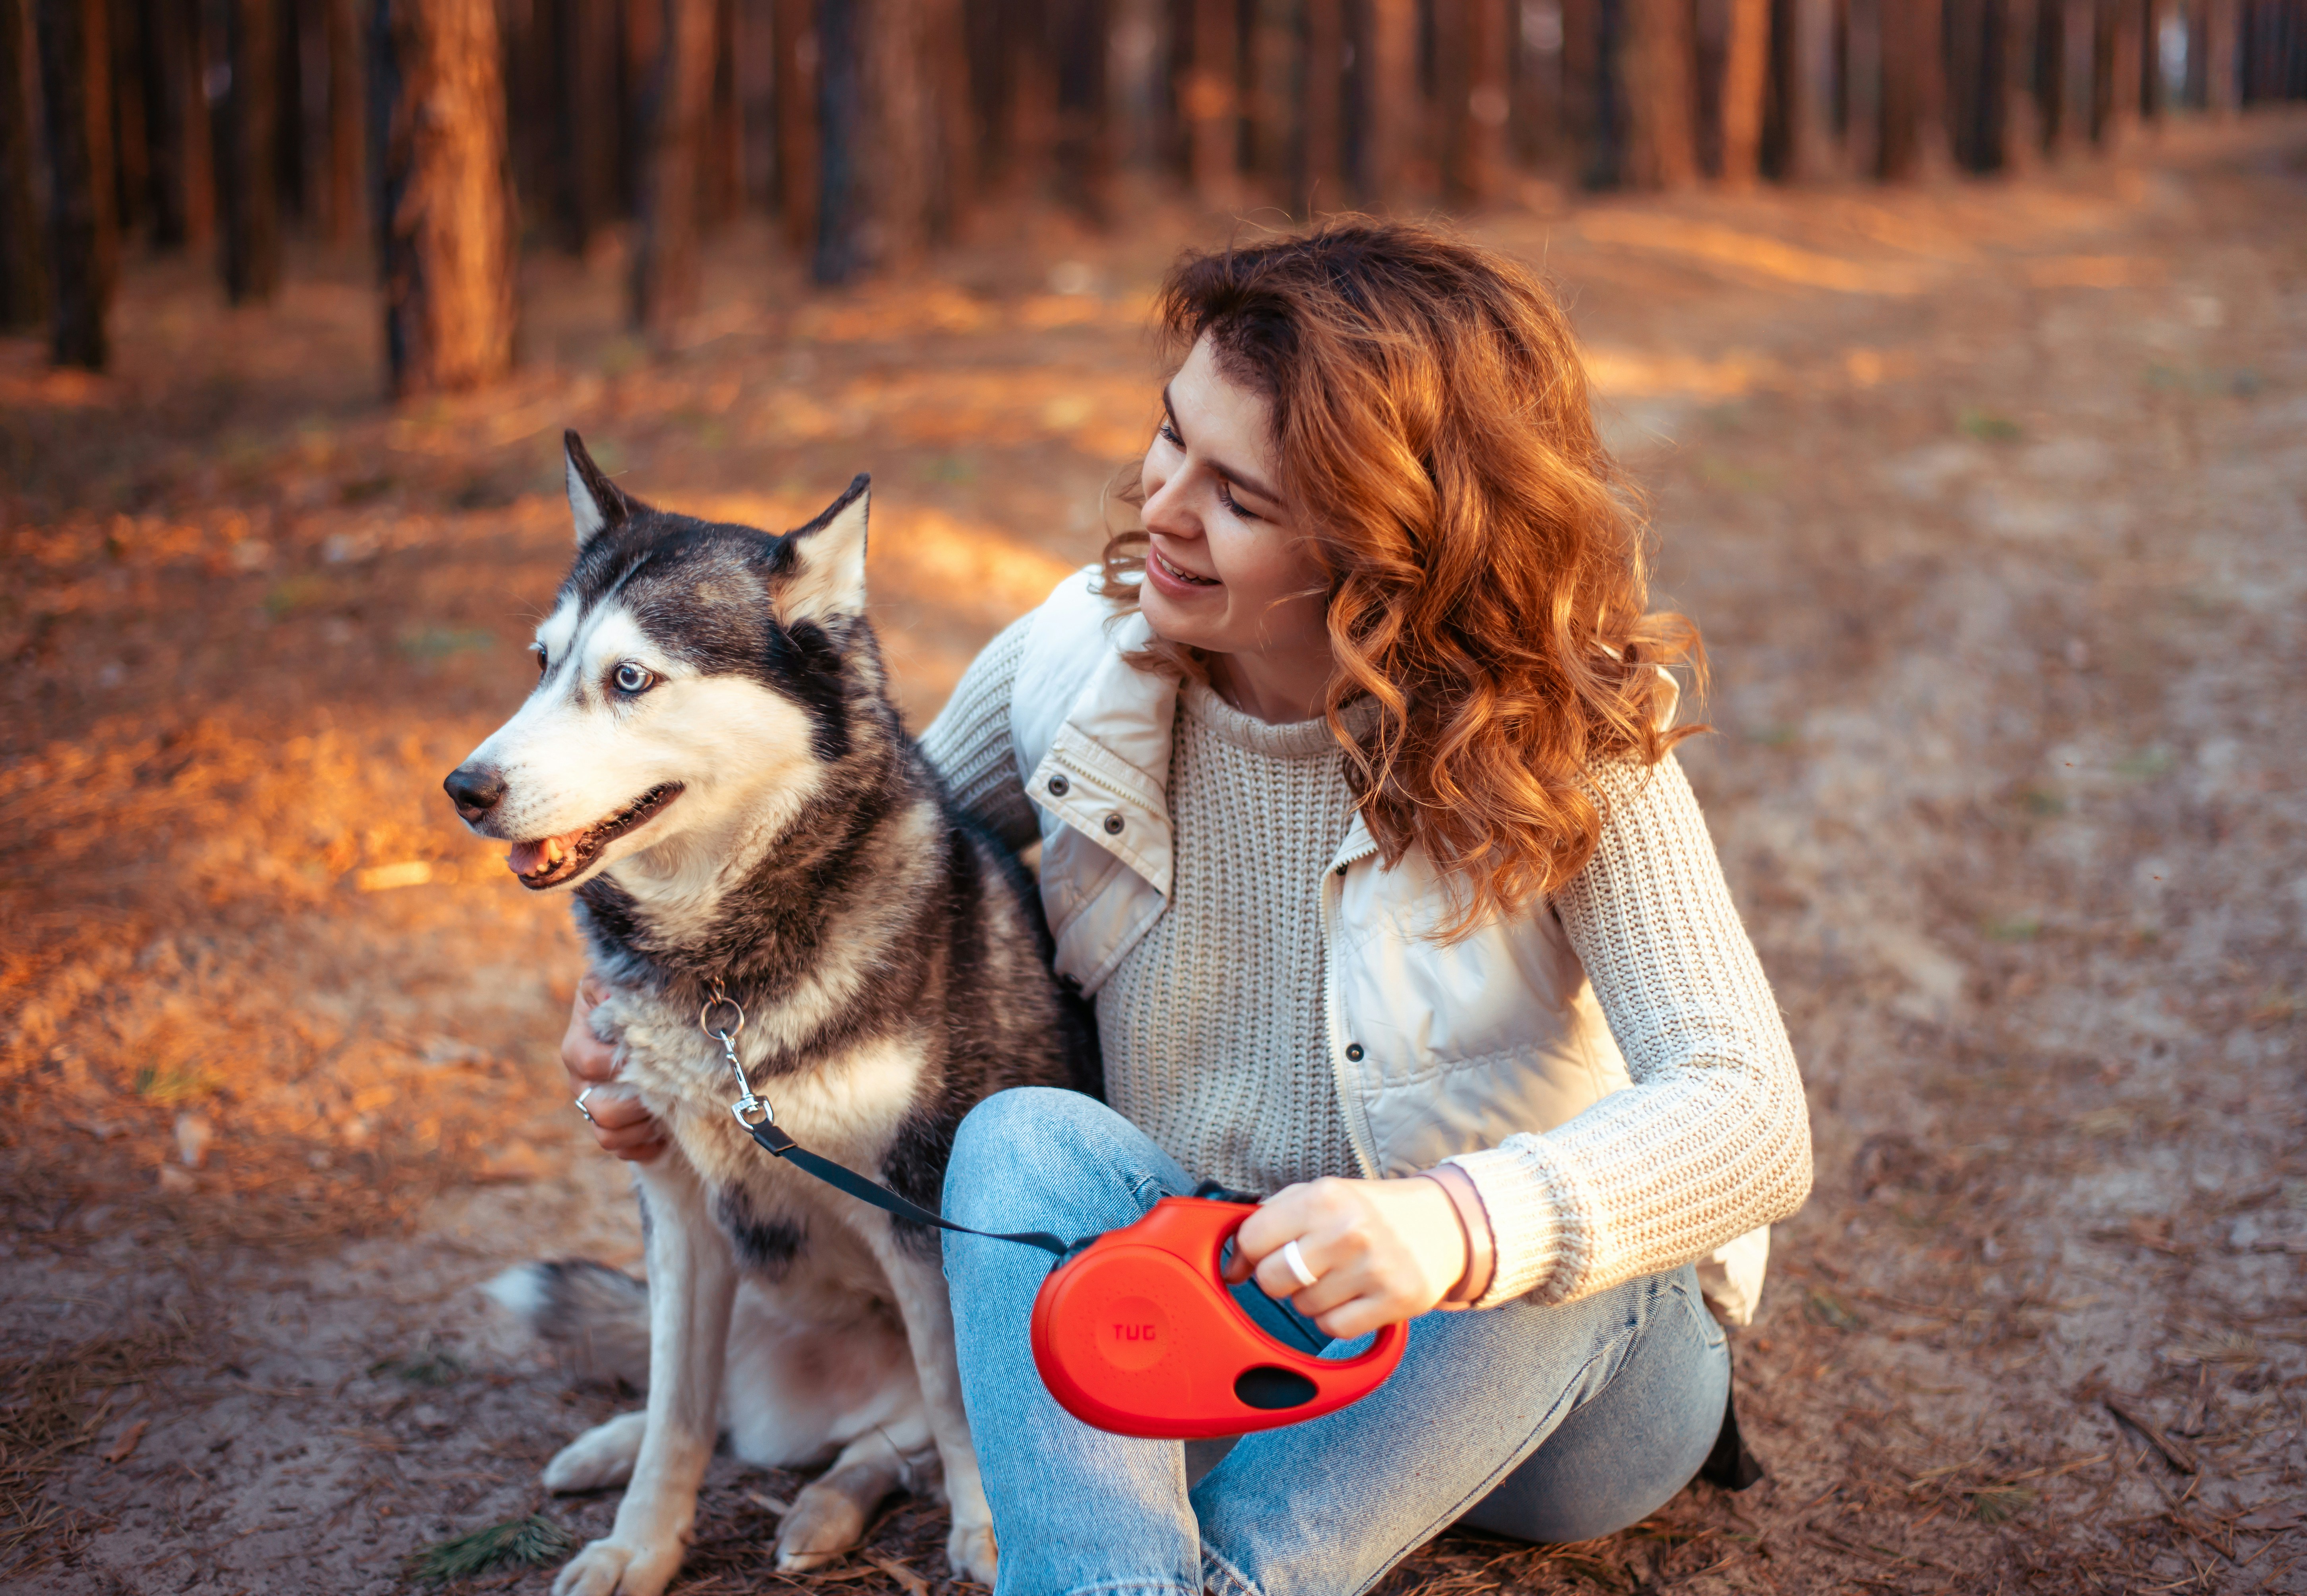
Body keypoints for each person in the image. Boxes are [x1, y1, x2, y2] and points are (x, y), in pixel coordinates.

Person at [562, 219, 1812, 1596]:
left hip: (1534, 1388)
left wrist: (1454, 1226)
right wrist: (651, 1028)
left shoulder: (1560, 739)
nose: (1160, 505)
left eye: (1241, 496)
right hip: (1194, 1319)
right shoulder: (1070, 665)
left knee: (1573, 1233)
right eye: (1173, 440)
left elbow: (1749, 1106)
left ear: (1394, 544)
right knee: (1021, 1144)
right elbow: (850, 876)